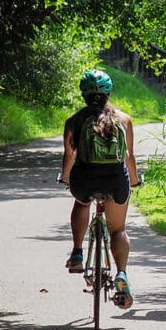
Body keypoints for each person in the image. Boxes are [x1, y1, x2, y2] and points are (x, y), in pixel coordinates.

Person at [60, 69, 140, 309]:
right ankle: (122, 274)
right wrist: (133, 180)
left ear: (83, 94)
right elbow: (129, 157)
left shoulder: (74, 121)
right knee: (118, 230)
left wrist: (66, 179)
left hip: (85, 179)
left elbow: (68, 157)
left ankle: (77, 253)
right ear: (109, 92)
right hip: (115, 180)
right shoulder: (123, 119)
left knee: (81, 202)